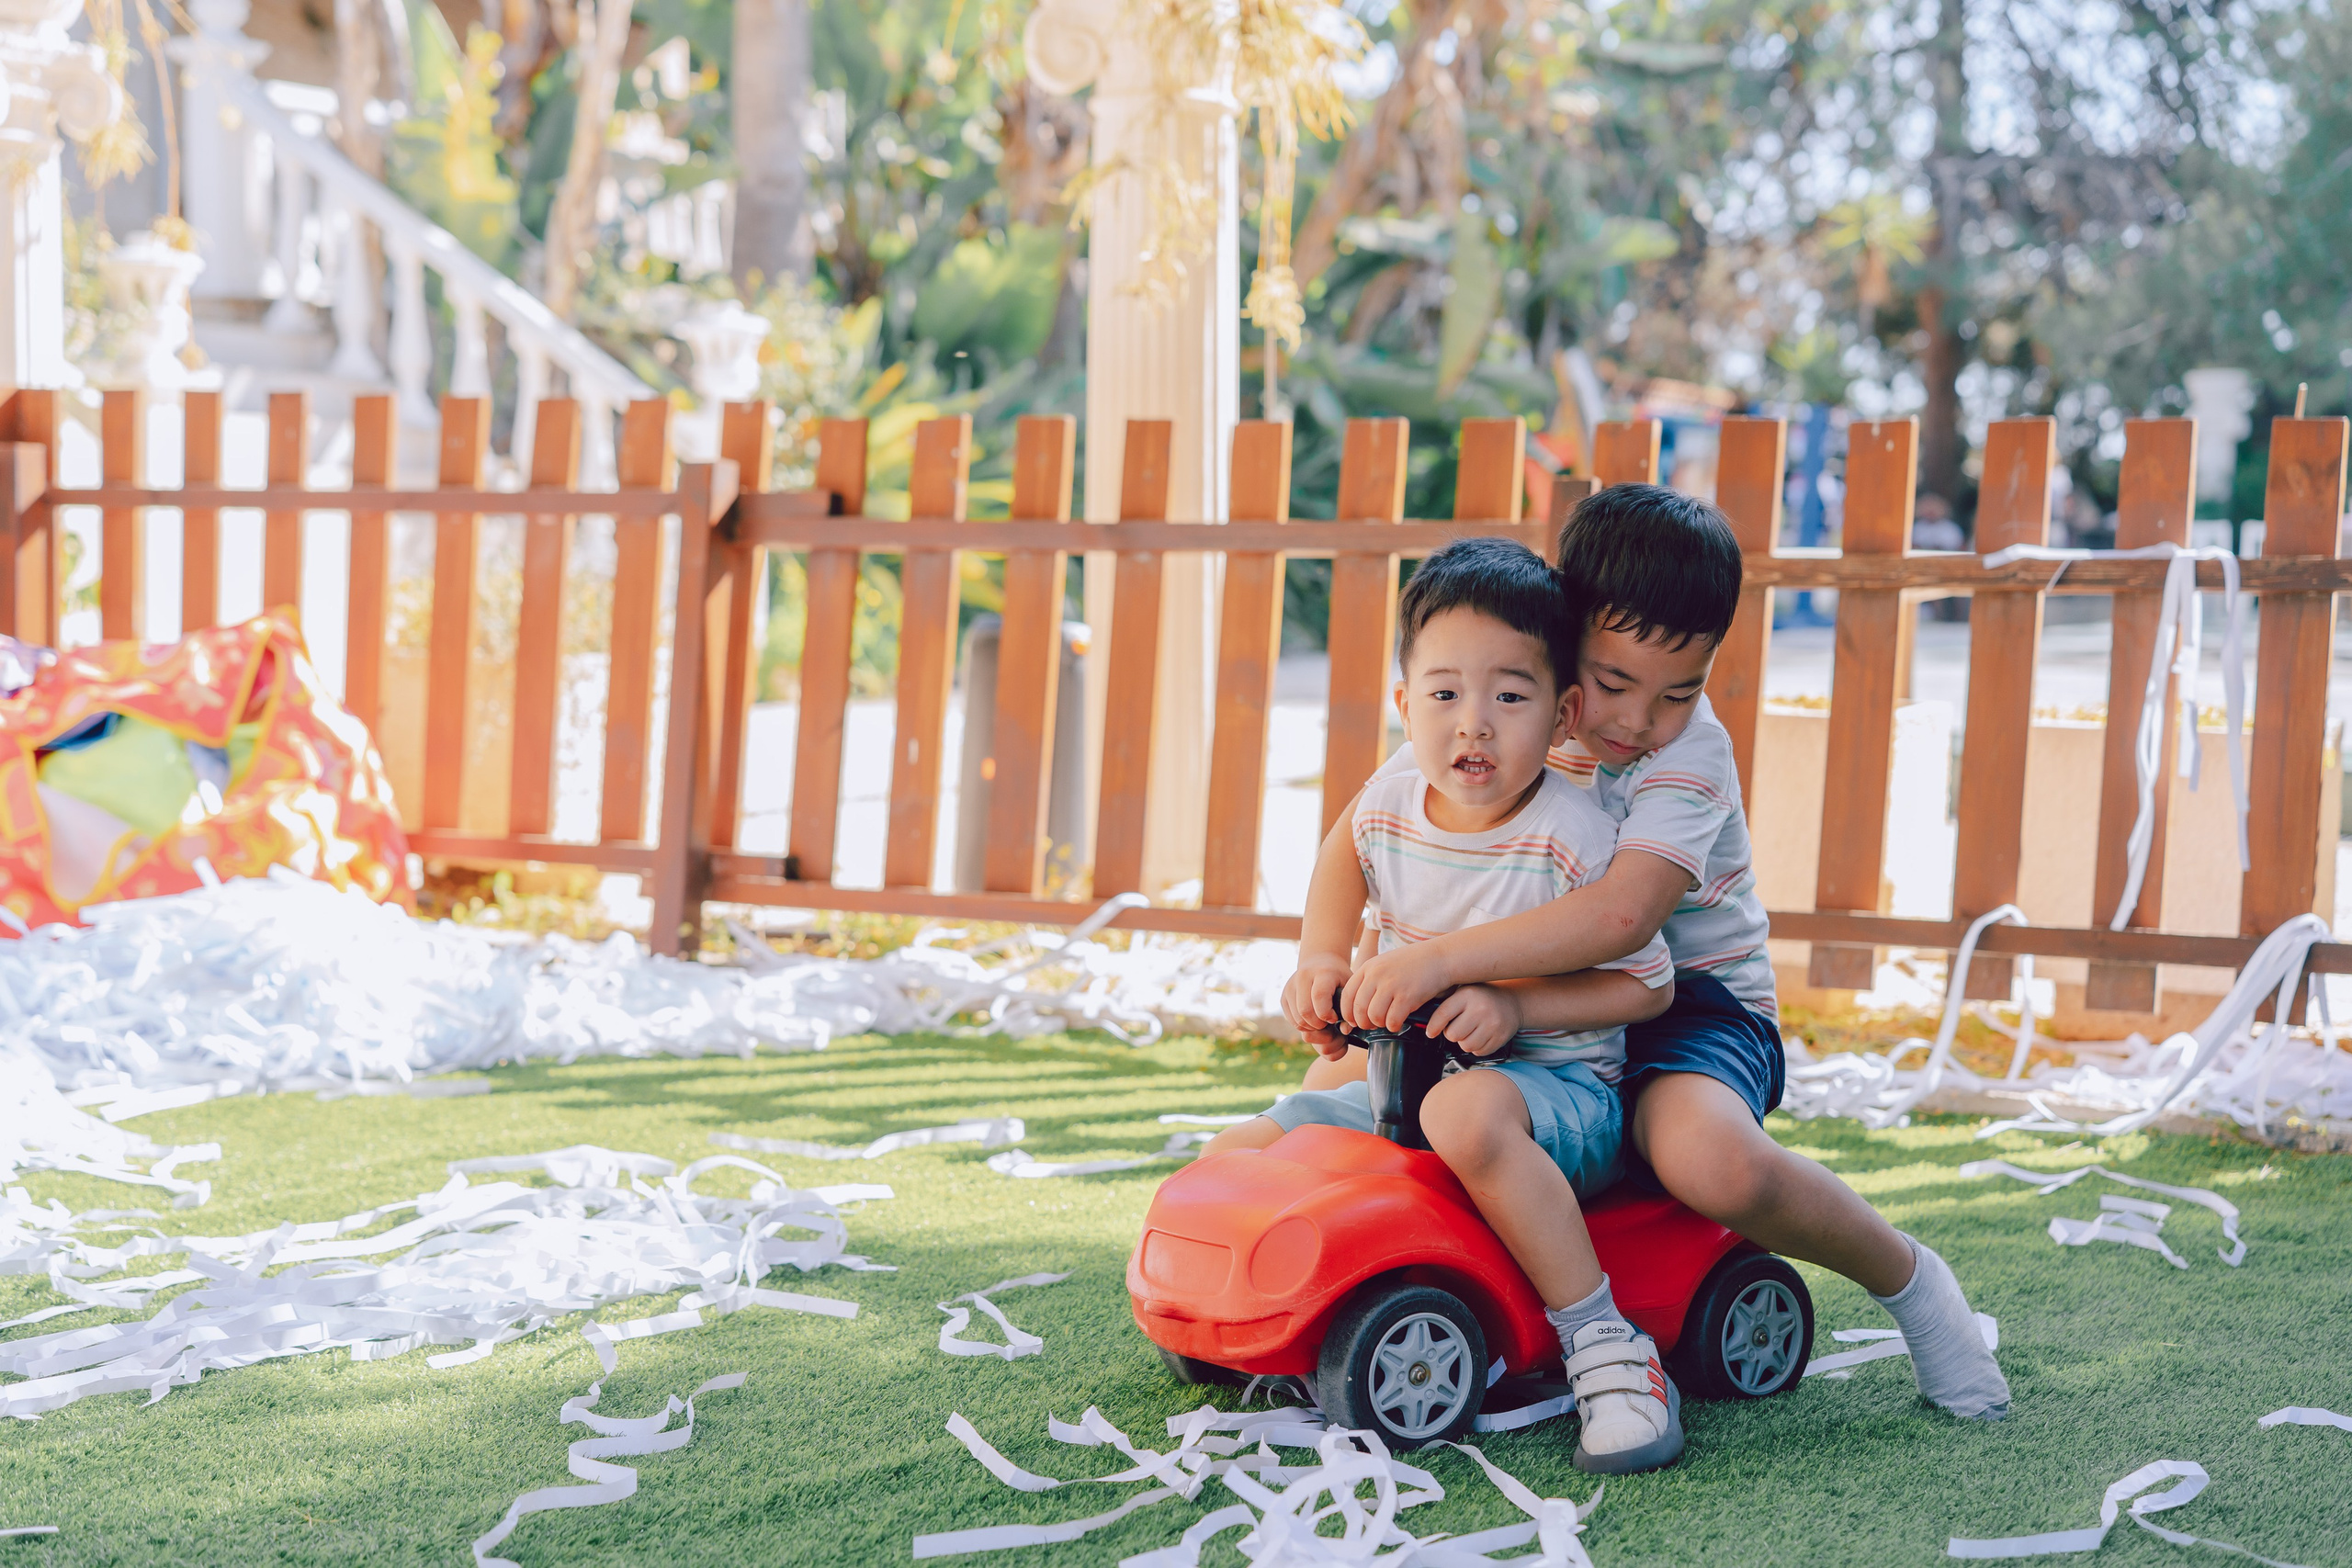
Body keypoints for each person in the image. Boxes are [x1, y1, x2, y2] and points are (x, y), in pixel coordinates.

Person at [1306, 483, 2012, 1423]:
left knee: (1707, 1160)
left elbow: (1622, 918)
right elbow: (1365, 823)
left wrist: (1444, 965)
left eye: (1678, 691)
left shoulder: (1690, 758)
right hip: (1532, 998)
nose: (1637, 721)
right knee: (1359, 1106)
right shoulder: (1509, 706)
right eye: (1612, 682)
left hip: (1693, 1006)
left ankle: (1911, 1282)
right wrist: (1329, 959)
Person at [1202, 536, 1689, 1474]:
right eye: (1443, 694)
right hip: (1408, 1083)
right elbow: (1342, 859)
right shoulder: (1392, 797)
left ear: (1562, 713)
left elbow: (1650, 983)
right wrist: (1320, 961)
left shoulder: (1571, 836)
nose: (1473, 724)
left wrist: (1518, 1010)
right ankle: (1247, 1307)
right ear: (1404, 702)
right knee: (1246, 1147)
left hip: (1558, 1099)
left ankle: (1602, 1343)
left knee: (1462, 1111)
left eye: (1509, 696)